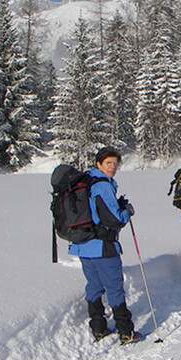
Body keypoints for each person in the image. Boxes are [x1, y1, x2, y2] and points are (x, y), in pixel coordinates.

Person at [68, 147, 141, 344]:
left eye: (116, 164)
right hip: (103, 246)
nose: (113, 167)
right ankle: (125, 330)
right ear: (99, 163)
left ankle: (98, 327)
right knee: (114, 287)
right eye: (108, 163)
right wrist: (127, 211)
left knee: (93, 285)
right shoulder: (102, 186)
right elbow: (115, 219)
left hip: (83, 244)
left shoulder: (86, 181)